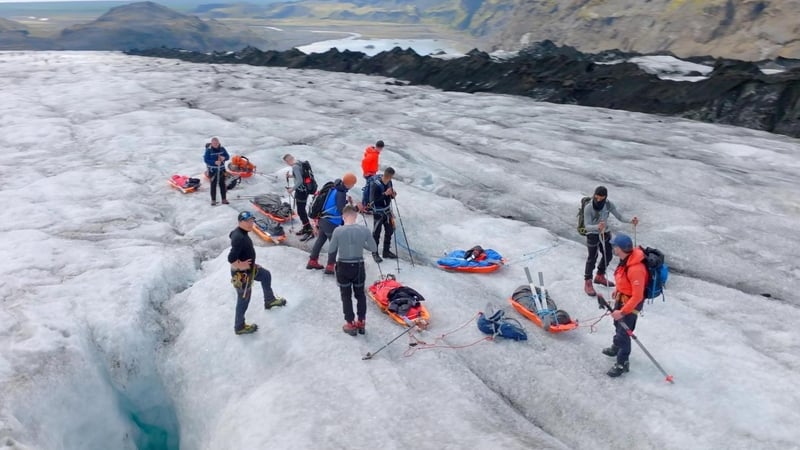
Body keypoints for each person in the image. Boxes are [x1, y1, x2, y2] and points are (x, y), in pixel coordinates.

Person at [228, 211, 287, 335]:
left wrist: (251, 264)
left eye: (251, 221)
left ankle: (269, 301)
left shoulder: (241, 232)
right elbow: (231, 258)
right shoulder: (239, 237)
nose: (250, 224)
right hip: (242, 276)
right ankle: (239, 327)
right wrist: (241, 265)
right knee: (243, 300)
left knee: (265, 275)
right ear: (240, 222)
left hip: (250, 270)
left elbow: (232, 237)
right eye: (247, 221)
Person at [328, 205, 377, 335]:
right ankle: (361, 322)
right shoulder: (364, 230)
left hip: (343, 266)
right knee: (360, 294)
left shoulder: (338, 231)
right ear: (355, 216)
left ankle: (350, 323)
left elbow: (331, 249)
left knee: (346, 296)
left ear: (343, 217)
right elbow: (373, 248)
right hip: (358, 267)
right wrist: (361, 244)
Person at [603, 234, 646, 377]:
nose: (613, 248)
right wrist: (618, 290)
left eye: (615, 246)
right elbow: (623, 279)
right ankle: (616, 346)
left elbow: (638, 295)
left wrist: (622, 312)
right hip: (623, 298)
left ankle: (622, 363)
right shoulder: (625, 260)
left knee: (624, 333)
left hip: (631, 304)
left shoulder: (636, 269)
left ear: (620, 248)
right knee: (617, 324)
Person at [582, 186, 639, 297]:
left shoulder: (608, 205)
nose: (598, 200)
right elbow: (587, 226)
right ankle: (587, 282)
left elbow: (619, 216)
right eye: (596, 197)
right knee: (592, 257)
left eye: (600, 198)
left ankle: (600, 275)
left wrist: (630, 221)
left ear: (605, 197)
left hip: (605, 233)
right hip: (593, 235)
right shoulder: (588, 207)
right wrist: (597, 227)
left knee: (608, 254)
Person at [307, 172, 358, 274]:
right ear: (349, 184)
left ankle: (312, 261)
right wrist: (355, 208)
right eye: (353, 184)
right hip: (331, 223)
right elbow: (341, 210)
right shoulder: (341, 193)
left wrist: (346, 202)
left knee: (320, 240)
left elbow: (333, 203)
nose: (353, 186)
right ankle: (330, 266)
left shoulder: (334, 188)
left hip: (323, 220)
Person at [370, 167, 397, 262]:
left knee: (389, 230)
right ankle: (375, 253)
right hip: (378, 212)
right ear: (389, 176)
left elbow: (390, 196)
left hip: (387, 211)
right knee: (376, 233)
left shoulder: (389, 183)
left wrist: (392, 195)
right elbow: (373, 201)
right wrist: (385, 194)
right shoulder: (376, 185)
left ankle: (386, 251)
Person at [283, 154, 313, 237]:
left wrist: (291, 189)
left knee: (301, 211)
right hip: (305, 190)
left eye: (286, 162)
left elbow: (299, 180)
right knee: (302, 210)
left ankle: (308, 229)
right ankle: (306, 227)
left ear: (288, 160)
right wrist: (291, 176)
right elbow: (301, 175)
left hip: (301, 191)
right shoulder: (299, 163)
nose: (287, 164)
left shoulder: (295, 167)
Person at [204, 137, 230, 206]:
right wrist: (214, 162)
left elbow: (227, 156)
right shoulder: (208, 151)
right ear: (211, 144)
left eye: (217, 143)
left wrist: (224, 158)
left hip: (221, 169)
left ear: (218, 143)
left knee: (222, 184)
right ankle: (213, 200)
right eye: (214, 144)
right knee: (213, 185)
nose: (215, 145)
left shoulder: (222, 149)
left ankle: (224, 199)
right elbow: (206, 160)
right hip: (213, 170)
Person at [360, 140, 384, 210]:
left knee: (369, 189)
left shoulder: (374, 153)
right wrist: (367, 172)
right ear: (380, 148)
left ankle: (366, 204)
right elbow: (364, 162)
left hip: (372, 173)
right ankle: (365, 205)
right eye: (381, 149)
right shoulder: (373, 154)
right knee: (368, 190)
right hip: (370, 174)